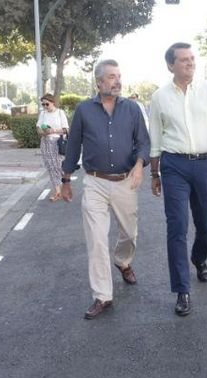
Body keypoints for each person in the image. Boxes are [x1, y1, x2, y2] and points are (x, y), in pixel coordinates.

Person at [148, 42, 207, 317]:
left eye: (192, 58)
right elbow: (155, 139)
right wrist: (155, 173)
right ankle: (182, 290)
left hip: (204, 165)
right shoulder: (159, 97)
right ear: (170, 65)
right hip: (173, 165)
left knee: (205, 225)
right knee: (177, 227)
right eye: (184, 60)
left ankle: (199, 259)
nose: (190, 63)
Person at [59, 60, 150, 320]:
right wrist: (65, 180)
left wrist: (140, 165)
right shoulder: (84, 110)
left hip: (125, 181)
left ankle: (122, 261)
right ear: (99, 83)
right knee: (97, 239)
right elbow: (74, 146)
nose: (117, 81)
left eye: (119, 76)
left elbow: (143, 142)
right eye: (111, 77)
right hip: (95, 182)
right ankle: (102, 296)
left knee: (130, 233)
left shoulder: (132, 109)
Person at [37, 93, 69, 201]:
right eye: (43, 104)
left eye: (47, 104)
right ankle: (57, 191)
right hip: (46, 142)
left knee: (57, 166)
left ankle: (66, 183)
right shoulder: (43, 114)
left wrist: (53, 130)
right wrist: (44, 132)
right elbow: (38, 129)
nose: (45, 106)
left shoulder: (60, 113)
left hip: (58, 142)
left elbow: (65, 129)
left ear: (53, 102)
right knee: (50, 166)